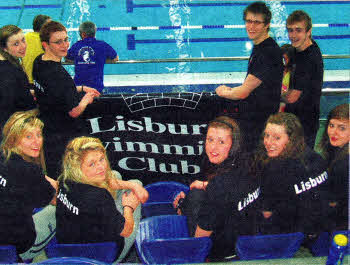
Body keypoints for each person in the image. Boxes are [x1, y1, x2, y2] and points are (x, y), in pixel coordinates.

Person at [173, 116, 260, 261]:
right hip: (249, 241)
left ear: (233, 145)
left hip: (224, 253)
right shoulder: (249, 162)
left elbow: (200, 240)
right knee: (196, 192)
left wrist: (182, 209)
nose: (213, 147)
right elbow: (232, 193)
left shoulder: (219, 185)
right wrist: (204, 185)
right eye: (210, 140)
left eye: (221, 142)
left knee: (194, 196)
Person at [56, 136, 148, 262]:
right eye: (92, 164)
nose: (101, 167)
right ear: (77, 168)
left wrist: (130, 185)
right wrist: (129, 206)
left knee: (115, 175)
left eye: (101, 159)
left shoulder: (64, 179)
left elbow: (107, 180)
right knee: (135, 186)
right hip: (102, 254)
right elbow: (126, 231)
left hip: (68, 247)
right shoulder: (99, 196)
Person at [33, 21, 100, 180]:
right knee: (70, 178)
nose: (65, 45)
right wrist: (86, 99)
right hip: (63, 136)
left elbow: (54, 90)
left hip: (47, 129)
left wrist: (81, 87)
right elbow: (74, 111)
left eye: (66, 39)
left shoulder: (39, 62)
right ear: (45, 44)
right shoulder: (59, 74)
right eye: (58, 42)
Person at [253, 112, 329, 245]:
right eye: (266, 135)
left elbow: (266, 213)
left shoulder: (274, 169)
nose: (268, 142)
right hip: (320, 230)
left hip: (290, 237)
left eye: (277, 138)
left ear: (291, 139)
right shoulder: (316, 157)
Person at [216, 1, 283, 151]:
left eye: (257, 22)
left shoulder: (267, 52)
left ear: (266, 25)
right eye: (249, 21)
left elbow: (243, 92)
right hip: (258, 118)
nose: (251, 26)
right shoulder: (261, 46)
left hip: (259, 123)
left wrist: (223, 92)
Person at [0, 110, 57, 261]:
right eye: (28, 137)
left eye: (39, 135)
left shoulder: (3, 157)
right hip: (18, 246)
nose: (36, 141)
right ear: (13, 139)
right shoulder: (31, 171)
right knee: (61, 208)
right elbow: (56, 200)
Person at [282, 10, 324, 149]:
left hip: (304, 124)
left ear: (309, 31)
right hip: (296, 120)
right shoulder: (299, 49)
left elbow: (293, 97)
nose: (293, 35)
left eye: (298, 30)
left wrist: (269, 95)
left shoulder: (309, 59)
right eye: (290, 30)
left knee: (299, 166)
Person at [317, 103, 349, 231]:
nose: (333, 132)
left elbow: (332, 204)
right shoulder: (337, 150)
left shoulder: (343, 164)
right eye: (331, 125)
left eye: (342, 128)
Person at [0, 25, 36, 132]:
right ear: (4, 48)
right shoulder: (9, 71)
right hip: (16, 128)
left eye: (23, 40)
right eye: (16, 44)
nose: (23, 46)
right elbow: (8, 108)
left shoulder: (9, 63)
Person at [65, 21, 119, 93]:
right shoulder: (102, 45)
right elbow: (115, 58)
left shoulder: (76, 45)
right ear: (95, 32)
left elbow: (67, 58)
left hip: (79, 87)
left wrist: (79, 61)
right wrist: (100, 61)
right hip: (96, 87)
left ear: (83, 34)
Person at [22, 14, 51, 84]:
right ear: (44, 28)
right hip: (41, 83)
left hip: (26, 81)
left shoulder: (25, 37)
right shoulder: (47, 41)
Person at [279, 44, 296, 112]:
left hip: (287, 104)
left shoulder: (294, 72)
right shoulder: (279, 69)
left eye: (285, 59)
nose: (283, 61)